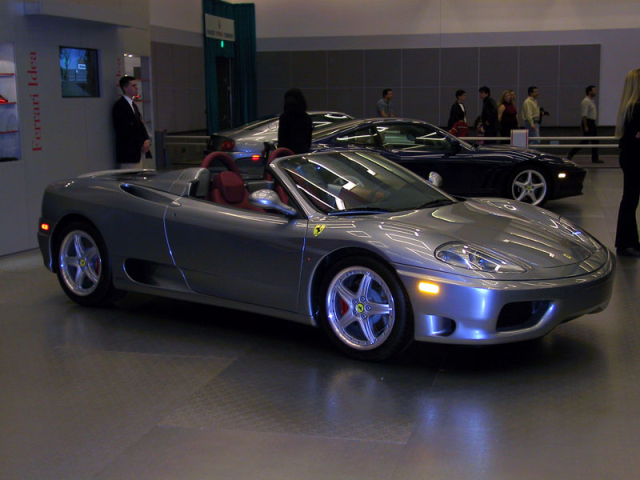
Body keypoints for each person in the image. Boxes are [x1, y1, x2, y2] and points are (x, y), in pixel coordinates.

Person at [614, 69, 640, 257]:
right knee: (631, 200)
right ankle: (628, 242)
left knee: (630, 199)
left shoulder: (628, 107)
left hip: (629, 156)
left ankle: (627, 241)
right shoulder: (636, 108)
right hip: (635, 157)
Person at [112, 75, 152, 168]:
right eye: (133, 86)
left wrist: (146, 140)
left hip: (139, 152)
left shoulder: (133, 105)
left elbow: (140, 125)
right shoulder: (120, 106)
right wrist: (141, 143)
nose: (136, 88)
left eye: (136, 85)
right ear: (125, 88)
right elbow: (125, 130)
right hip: (129, 153)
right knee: (131, 175)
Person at [568, 85, 603, 163]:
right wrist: (585, 126)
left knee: (595, 141)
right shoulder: (586, 101)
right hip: (588, 122)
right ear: (589, 92)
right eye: (594, 90)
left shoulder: (591, 101)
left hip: (592, 122)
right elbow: (584, 115)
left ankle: (595, 158)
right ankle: (571, 154)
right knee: (585, 141)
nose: (595, 92)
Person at [277, 88, 312, 154]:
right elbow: (308, 139)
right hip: (302, 152)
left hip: (287, 152)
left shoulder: (285, 117)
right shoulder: (306, 117)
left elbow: (282, 139)